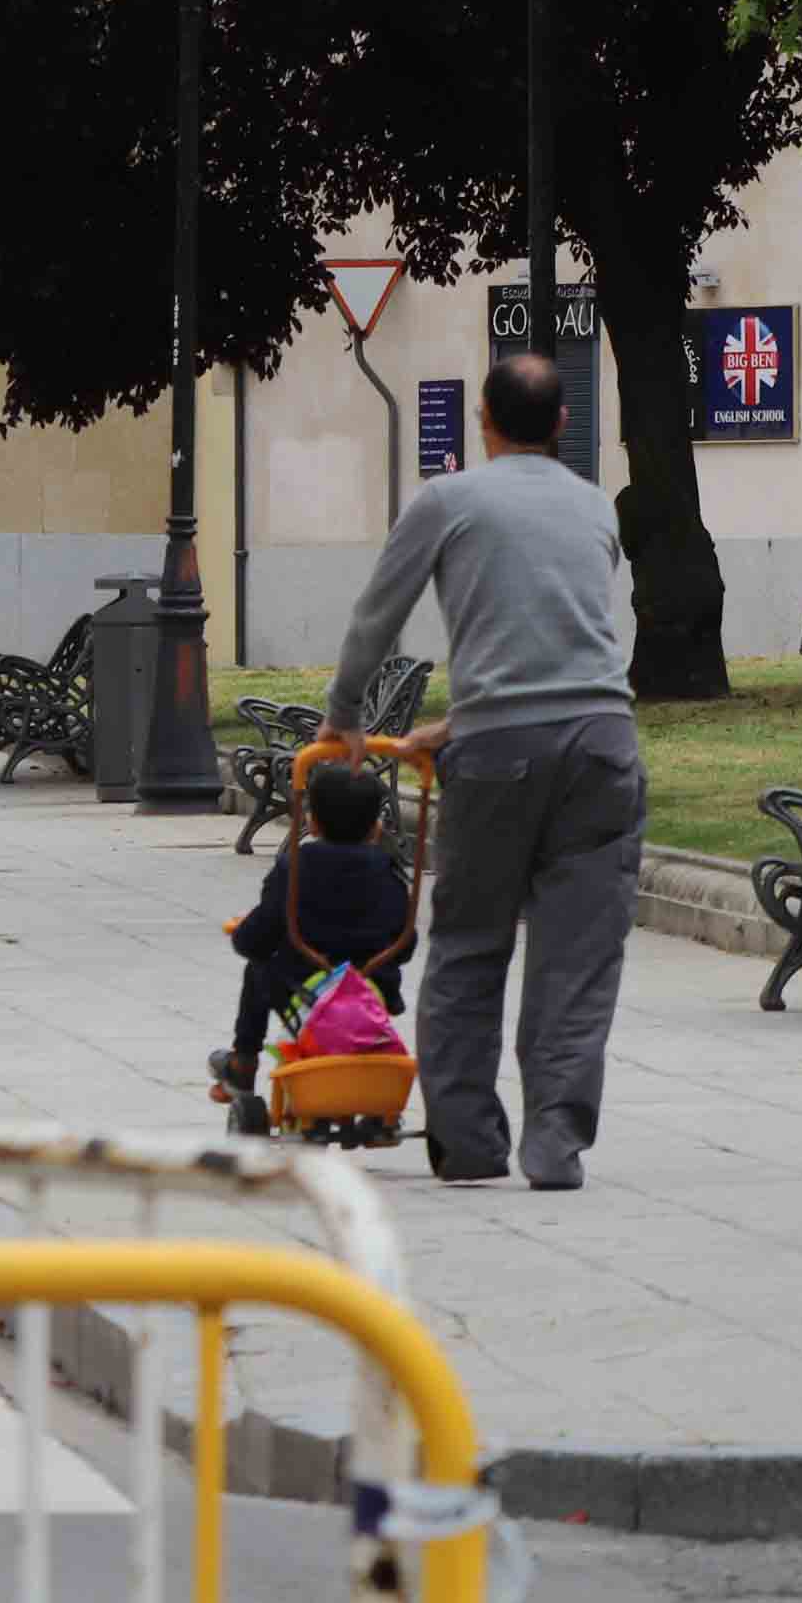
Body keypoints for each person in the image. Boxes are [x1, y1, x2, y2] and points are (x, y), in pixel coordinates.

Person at [322, 350, 640, 1191]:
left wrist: (344, 716)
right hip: (603, 743)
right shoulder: (594, 509)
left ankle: (466, 1143)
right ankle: (556, 1143)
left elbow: (374, 616)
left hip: (498, 756)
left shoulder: (448, 500)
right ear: (564, 426)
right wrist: (457, 725)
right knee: (579, 954)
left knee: (468, 941)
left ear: (484, 423)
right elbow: (560, 644)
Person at [208, 758, 415, 1101]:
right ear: (376, 828)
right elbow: (405, 945)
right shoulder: (390, 872)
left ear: (312, 823)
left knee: (258, 967)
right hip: (372, 988)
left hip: (301, 989)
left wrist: (245, 931)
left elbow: (256, 940)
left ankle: (244, 1060)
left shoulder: (294, 867)